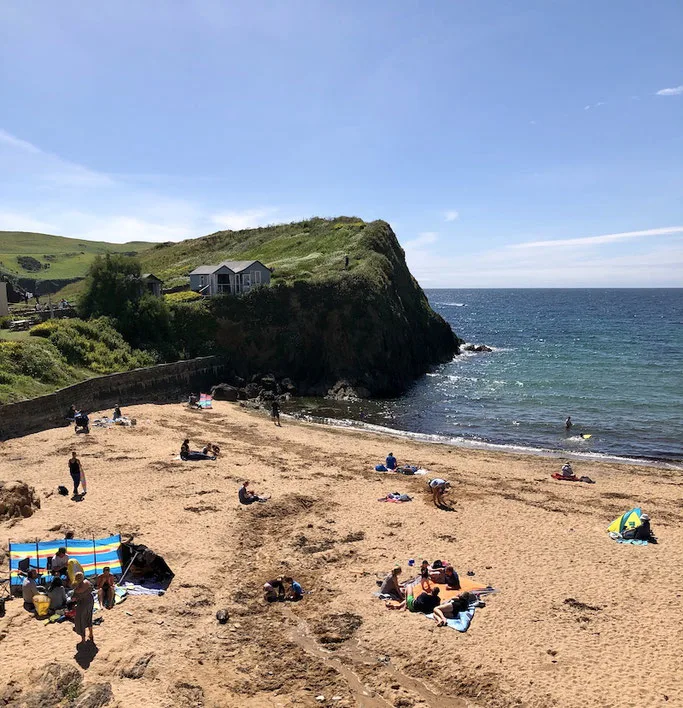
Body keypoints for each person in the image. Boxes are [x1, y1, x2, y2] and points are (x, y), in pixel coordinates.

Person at [72, 572, 95, 644]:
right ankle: (91, 634)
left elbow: (73, 599)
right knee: (89, 617)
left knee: (80, 621)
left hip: (82, 605)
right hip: (90, 602)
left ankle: (83, 639)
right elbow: (92, 589)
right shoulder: (87, 583)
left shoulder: (77, 589)